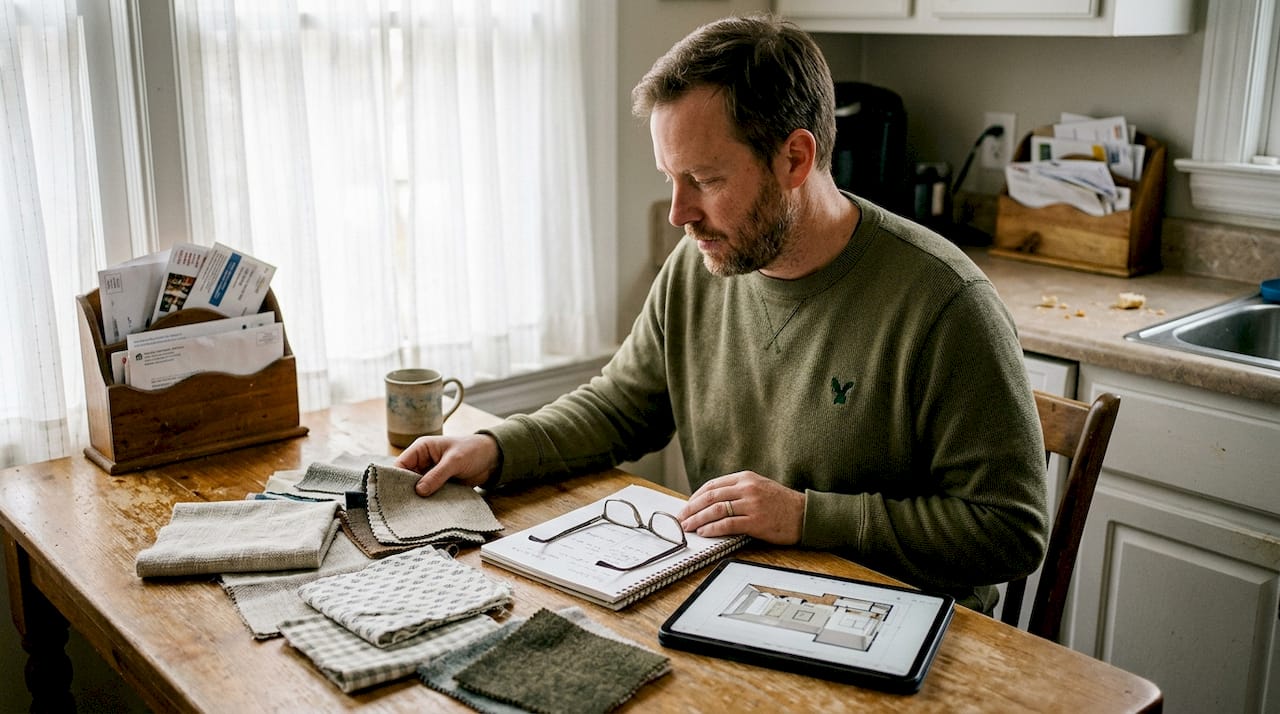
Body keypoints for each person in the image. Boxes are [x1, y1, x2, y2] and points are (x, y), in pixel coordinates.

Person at [397, 13, 1047, 614]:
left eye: (704, 181)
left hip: (904, 632)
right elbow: (620, 406)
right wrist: (495, 447)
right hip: (739, 597)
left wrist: (803, 516)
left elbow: (1009, 532)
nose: (680, 214)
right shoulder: (701, 265)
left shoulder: (945, 304)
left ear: (795, 158)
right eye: (670, 178)